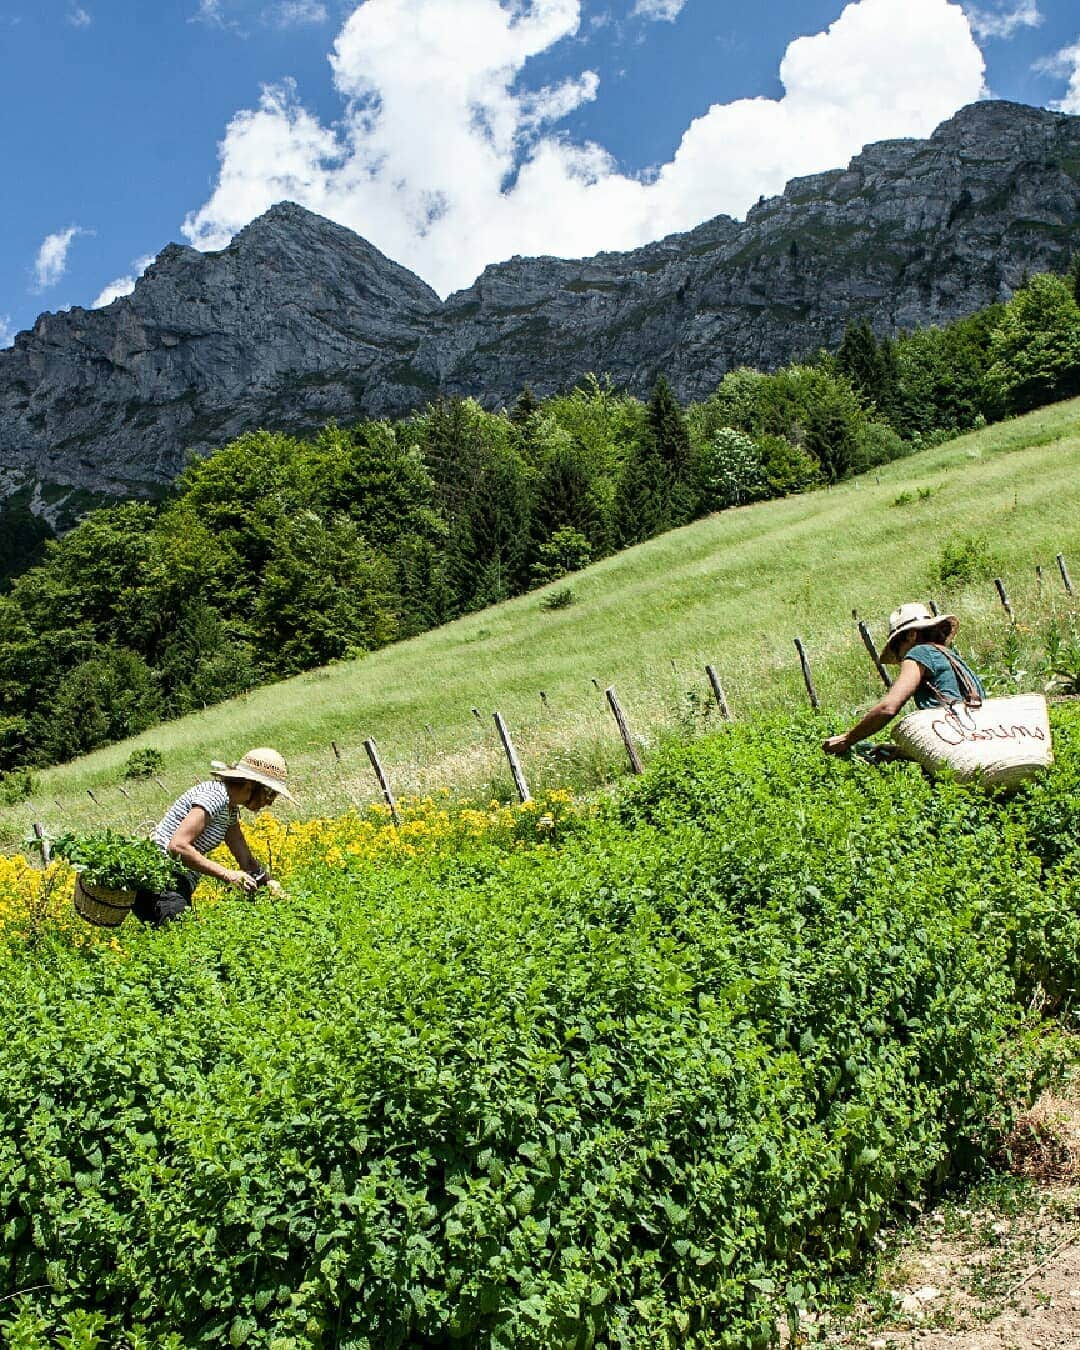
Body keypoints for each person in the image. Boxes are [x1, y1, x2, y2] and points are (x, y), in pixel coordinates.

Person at [131, 747, 295, 927]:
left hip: (175, 884)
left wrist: (268, 882)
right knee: (183, 940)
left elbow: (245, 859)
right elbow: (177, 846)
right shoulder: (215, 796)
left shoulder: (230, 809)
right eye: (270, 793)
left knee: (174, 942)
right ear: (251, 784)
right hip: (161, 882)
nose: (270, 801)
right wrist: (228, 875)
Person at [822, 603, 986, 760]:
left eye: (897, 648)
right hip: (980, 743)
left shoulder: (919, 652)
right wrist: (901, 752)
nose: (901, 659)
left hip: (957, 747)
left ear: (911, 635)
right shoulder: (952, 659)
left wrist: (847, 739)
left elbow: (888, 708)